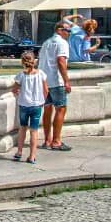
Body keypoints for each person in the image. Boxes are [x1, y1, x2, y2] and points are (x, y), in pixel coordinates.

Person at [39, 22, 73, 151]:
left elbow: (40, 61)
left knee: (47, 109)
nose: (69, 33)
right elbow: (61, 61)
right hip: (56, 81)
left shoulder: (46, 42)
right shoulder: (62, 43)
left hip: (44, 81)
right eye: (67, 30)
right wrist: (66, 81)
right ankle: (56, 141)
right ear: (59, 30)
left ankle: (47, 140)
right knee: (61, 109)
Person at [11, 51, 48, 164]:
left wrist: (19, 94)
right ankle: (32, 156)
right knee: (34, 131)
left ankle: (19, 152)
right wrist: (44, 101)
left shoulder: (21, 75)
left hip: (24, 105)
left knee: (22, 128)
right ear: (34, 61)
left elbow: (14, 89)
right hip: (37, 105)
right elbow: (46, 90)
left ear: (22, 62)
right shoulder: (41, 74)